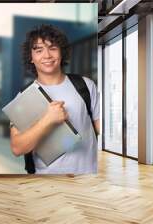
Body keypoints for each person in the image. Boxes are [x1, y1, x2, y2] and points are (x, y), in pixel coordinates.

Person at [9, 24, 100, 174]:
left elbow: (102, 131)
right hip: (48, 182)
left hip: (89, 176)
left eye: (53, 48)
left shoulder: (85, 85)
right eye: (39, 50)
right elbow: (17, 148)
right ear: (31, 58)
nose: (47, 56)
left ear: (61, 52)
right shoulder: (24, 96)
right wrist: (48, 120)